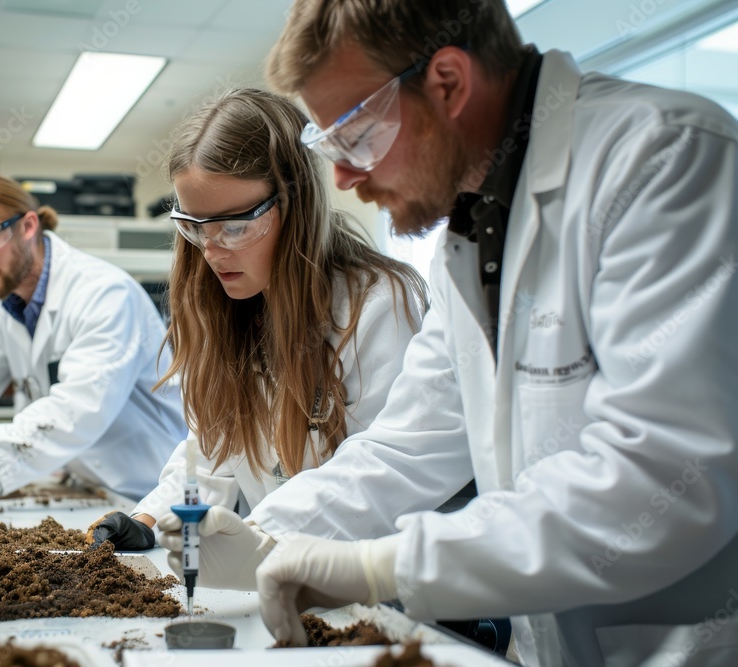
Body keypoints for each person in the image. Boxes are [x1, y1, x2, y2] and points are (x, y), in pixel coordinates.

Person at [173, 2, 738, 665]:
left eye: (356, 135)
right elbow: (406, 447)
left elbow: (666, 476)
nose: (343, 177)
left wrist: (384, 566)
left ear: (448, 82)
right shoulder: (469, 236)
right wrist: (263, 537)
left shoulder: (663, 157)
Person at [88, 88, 430, 556]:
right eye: (194, 227)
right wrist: (147, 520)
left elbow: (381, 471)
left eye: (234, 227)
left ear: (294, 204)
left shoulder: (376, 305)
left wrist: (262, 536)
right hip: (281, 565)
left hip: (368, 572)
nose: (211, 252)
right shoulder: (233, 307)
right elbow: (213, 453)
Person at [0, 169, 187, 500]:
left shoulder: (106, 295)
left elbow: (79, 409)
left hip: (149, 493)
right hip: (88, 487)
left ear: (28, 226)